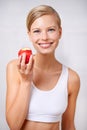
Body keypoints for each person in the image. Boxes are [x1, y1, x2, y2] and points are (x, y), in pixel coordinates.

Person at [6, 5, 80, 130]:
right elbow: (13, 126)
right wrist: (25, 81)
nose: (44, 37)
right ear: (29, 35)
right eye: (37, 31)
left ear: (60, 32)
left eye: (51, 30)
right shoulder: (15, 68)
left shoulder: (71, 78)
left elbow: (68, 125)